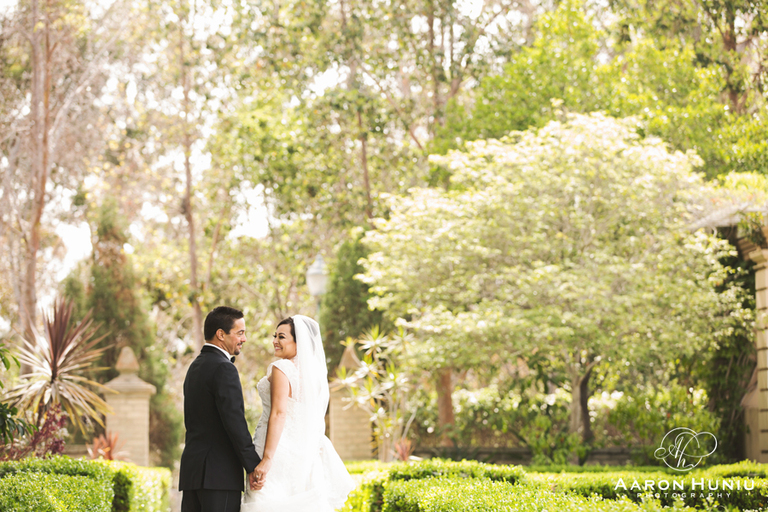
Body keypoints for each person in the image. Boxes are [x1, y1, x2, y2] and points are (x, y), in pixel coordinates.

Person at [241, 315, 355, 512]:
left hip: (274, 450)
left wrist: (267, 459)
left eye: (282, 337)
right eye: (275, 336)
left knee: (265, 502)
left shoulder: (282, 368)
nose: (275, 341)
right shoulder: (314, 376)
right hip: (300, 453)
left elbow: (278, 413)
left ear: (298, 342)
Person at [179, 306, 263, 512]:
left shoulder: (195, 367)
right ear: (220, 334)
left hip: (193, 475)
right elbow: (234, 422)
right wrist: (253, 465)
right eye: (240, 333)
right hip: (219, 476)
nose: (244, 339)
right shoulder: (224, 368)